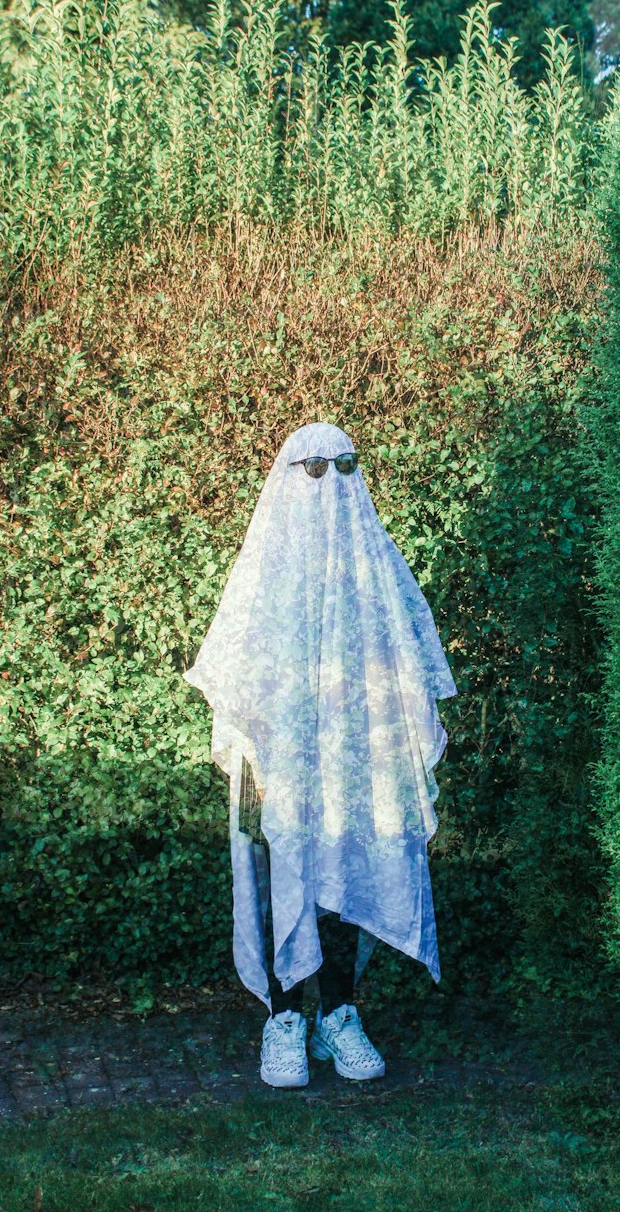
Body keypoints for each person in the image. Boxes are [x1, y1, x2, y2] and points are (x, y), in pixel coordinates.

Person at [182, 421, 457, 1088]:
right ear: (287, 475)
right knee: (283, 871)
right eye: (313, 468)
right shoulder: (262, 569)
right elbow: (234, 669)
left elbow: (406, 661)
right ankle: (284, 1020)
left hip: (350, 764)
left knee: (340, 874)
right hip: (274, 763)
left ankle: (338, 1013)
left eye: (345, 465)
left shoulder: (375, 565)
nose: (330, 481)